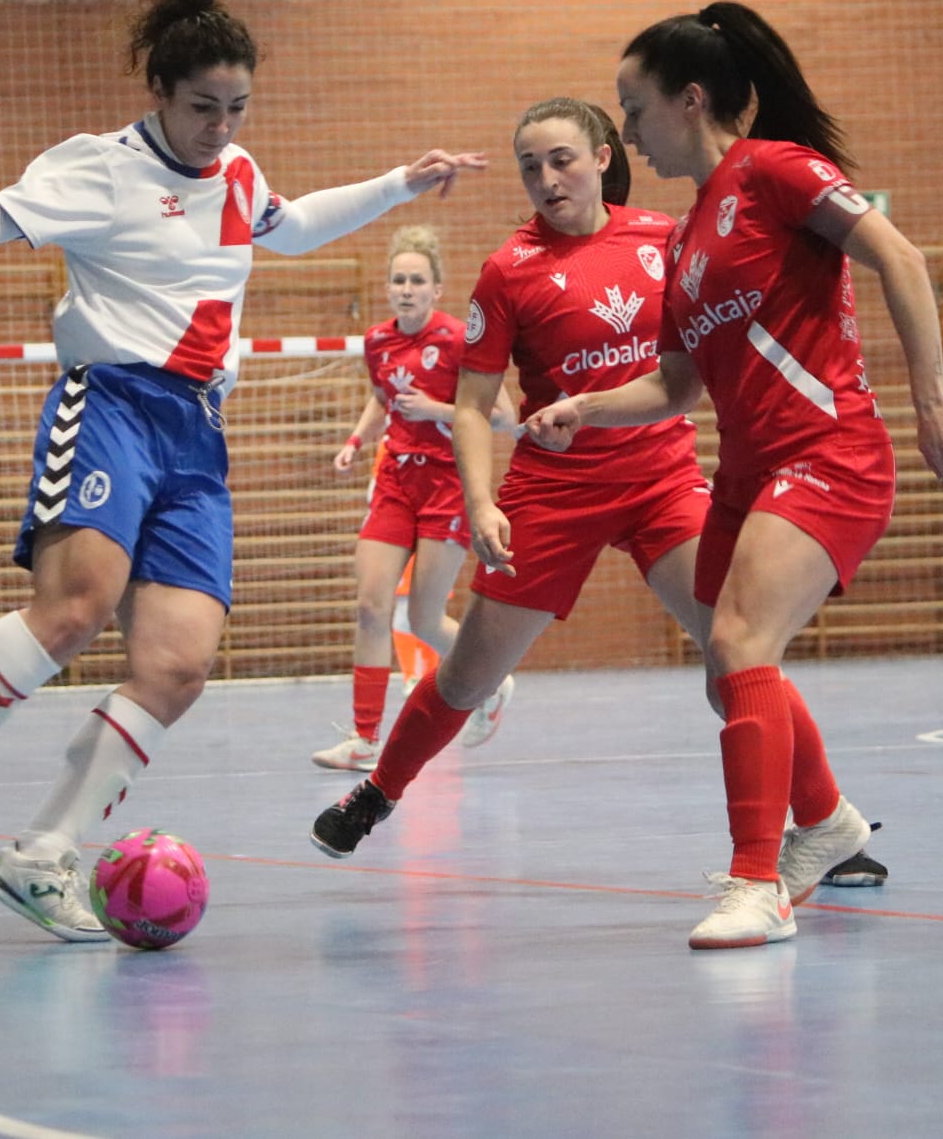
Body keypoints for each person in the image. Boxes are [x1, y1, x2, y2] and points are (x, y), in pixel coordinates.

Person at [0, 0, 486, 941]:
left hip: (197, 433)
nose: (220, 128)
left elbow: (298, 225)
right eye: (202, 107)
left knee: (179, 665)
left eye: (236, 109)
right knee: (76, 606)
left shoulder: (236, 176)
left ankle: (43, 853)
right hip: (112, 399)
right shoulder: (101, 170)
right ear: (161, 92)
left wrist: (401, 180)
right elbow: (2, 208)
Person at [526, 3, 943, 949]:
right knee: (724, 668)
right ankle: (829, 828)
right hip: (745, 472)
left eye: (635, 107)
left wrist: (931, 399)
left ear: (691, 101)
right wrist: (584, 406)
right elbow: (676, 384)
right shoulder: (687, 244)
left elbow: (896, 252)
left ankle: (758, 883)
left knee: (739, 639)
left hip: (829, 454)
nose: (629, 131)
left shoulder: (775, 169)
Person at [308, 98, 720, 867]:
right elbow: (471, 406)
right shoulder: (508, 270)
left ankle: (826, 819)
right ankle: (379, 788)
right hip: (554, 492)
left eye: (561, 158)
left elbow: (698, 364)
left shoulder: (664, 239)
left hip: (662, 477)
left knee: (736, 643)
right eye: (530, 166)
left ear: (602, 156)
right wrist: (482, 500)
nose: (546, 178)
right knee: (465, 674)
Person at [315, 226, 519, 771]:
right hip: (395, 484)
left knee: (425, 621)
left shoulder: (457, 339)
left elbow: (504, 417)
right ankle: (363, 739)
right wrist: (357, 440)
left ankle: (493, 681)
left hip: (447, 485)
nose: (406, 289)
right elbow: (383, 397)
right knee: (370, 606)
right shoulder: (377, 340)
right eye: (398, 279)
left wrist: (437, 411)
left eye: (417, 280)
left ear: (436, 289)